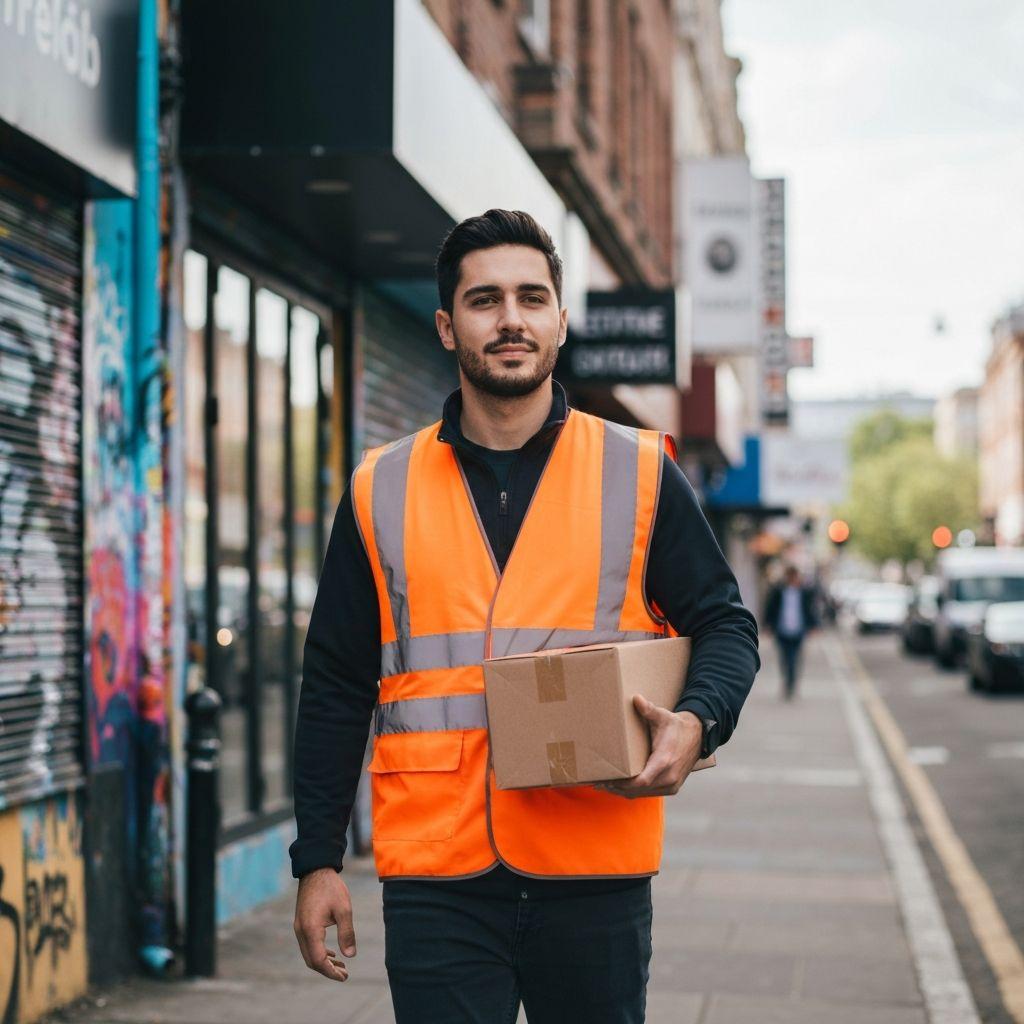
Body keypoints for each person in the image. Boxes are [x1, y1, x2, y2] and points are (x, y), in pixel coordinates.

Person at [289, 209, 760, 1024]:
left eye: (531, 297)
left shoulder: (641, 470)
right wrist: (317, 860)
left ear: (560, 321)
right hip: (438, 882)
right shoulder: (380, 487)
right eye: (485, 300)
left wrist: (698, 720)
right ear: (446, 326)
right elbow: (334, 683)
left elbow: (726, 625)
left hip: (594, 872)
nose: (511, 319)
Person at [763, 565, 819, 700]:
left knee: (794, 659)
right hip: (781, 630)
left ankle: (791, 685)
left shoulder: (804, 592)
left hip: (798, 630)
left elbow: (810, 610)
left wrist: (814, 626)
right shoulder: (778, 591)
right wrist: (767, 626)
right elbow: (770, 608)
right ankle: (787, 681)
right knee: (784, 659)